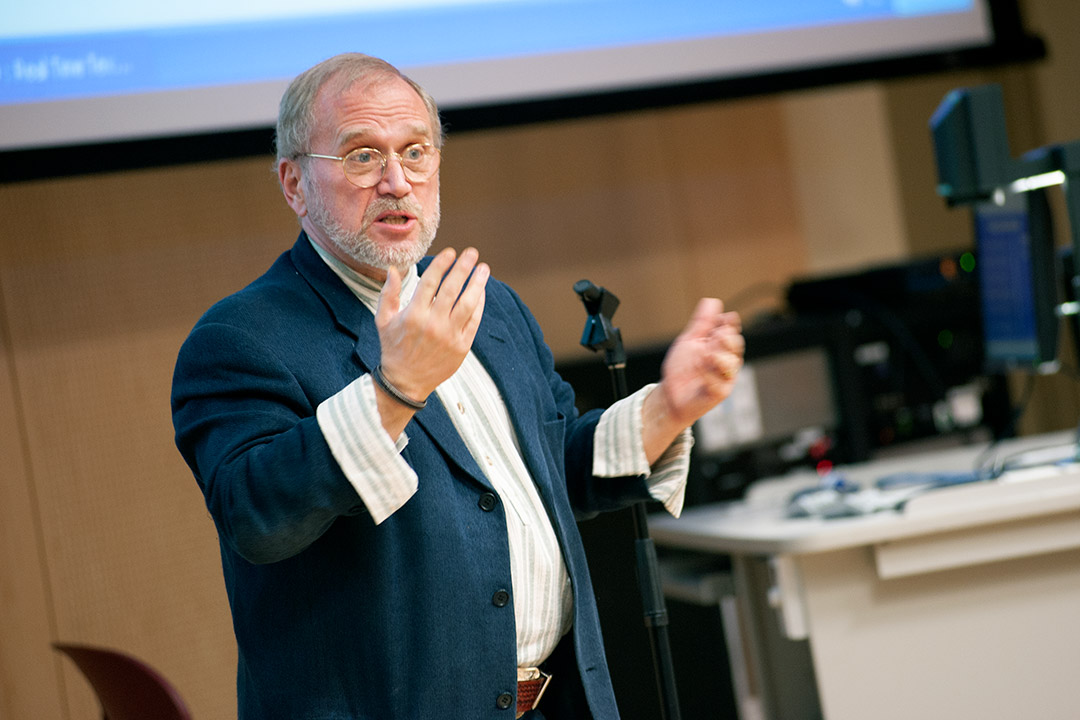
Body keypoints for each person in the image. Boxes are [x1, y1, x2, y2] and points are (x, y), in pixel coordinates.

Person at [171, 52, 744, 720]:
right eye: (361, 156)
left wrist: (668, 410)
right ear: (294, 183)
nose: (396, 181)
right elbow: (257, 517)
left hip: (558, 699)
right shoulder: (242, 340)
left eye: (416, 152)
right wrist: (395, 391)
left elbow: (552, 469)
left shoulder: (487, 304)